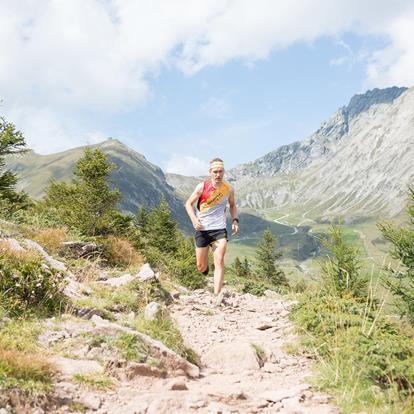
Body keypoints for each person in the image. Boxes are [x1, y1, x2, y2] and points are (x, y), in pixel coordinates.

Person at [185, 158, 239, 302]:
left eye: (220, 171)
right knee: (200, 266)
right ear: (210, 172)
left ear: (223, 172)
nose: (218, 174)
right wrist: (194, 220)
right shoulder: (202, 187)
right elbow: (188, 204)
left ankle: (217, 296)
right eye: (215, 172)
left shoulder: (229, 189)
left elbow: (232, 205)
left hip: (219, 229)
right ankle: (205, 270)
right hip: (202, 229)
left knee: (219, 260)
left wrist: (235, 220)